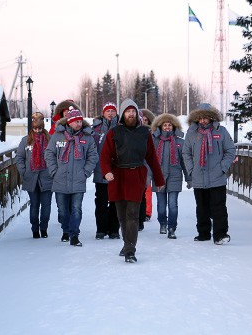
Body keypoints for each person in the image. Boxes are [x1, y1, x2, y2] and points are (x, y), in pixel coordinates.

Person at [100, 98, 165, 263]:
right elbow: (105, 156)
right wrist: (106, 171)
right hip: (118, 176)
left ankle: (130, 249)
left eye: (133, 111)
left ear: (137, 113)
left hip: (136, 175)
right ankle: (126, 243)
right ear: (122, 114)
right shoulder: (113, 132)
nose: (131, 114)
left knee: (133, 215)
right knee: (121, 215)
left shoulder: (144, 133)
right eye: (128, 111)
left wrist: (159, 179)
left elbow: (152, 158)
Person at [182, 103, 236, 245]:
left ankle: (220, 234)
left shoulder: (221, 131)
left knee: (219, 207)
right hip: (198, 176)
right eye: (200, 118)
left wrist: (222, 168)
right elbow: (186, 152)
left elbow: (230, 151)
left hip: (217, 177)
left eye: (206, 117)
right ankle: (203, 233)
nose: (203, 120)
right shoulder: (191, 133)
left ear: (212, 118)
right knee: (202, 207)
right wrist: (191, 170)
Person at [44, 108, 98, 246]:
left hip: (78, 179)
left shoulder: (87, 137)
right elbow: (49, 154)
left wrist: (85, 172)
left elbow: (93, 156)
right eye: (76, 122)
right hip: (60, 179)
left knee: (76, 209)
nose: (79, 124)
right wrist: (54, 171)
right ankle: (65, 231)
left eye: (80, 121)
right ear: (70, 122)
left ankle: (74, 235)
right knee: (62, 211)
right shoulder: (58, 136)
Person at [151, 113, 190, 239]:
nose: (167, 127)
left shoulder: (180, 142)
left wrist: (189, 178)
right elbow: (149, 160)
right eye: (164, 125)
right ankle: (163, 222)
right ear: (160, 126)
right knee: (161, 206)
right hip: (159, 176)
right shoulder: (154, 141)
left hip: (175, 176)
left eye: (169, 125)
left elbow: (184, 162)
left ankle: (172, 228)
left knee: (173, 204)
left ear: (174, 127)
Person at [16, 112, 53, 239]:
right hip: (31, 177)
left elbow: (56, 157)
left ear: (43, 128)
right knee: (34, 205)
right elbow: (20, 157)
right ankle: (35, 229)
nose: (38, 131)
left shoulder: (50, 139)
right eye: (36, 128)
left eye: (40, 128)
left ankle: (44, 228)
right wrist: (24, 171)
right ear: (32, 128)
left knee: (46, 206)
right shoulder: (25, 141)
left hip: (46, 177)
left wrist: (53, 171)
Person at [91, 102, 121, 240]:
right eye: (107, 111)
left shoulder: (121, 128)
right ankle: (101, 229)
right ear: (103, 113)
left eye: (112, 111)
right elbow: (92, 150)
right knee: (101, 201)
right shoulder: (96, 130)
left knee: (116, 201)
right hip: (101, 171)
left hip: (117, 171)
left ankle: (114, 229)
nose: (110, 113)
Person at [49, 100, 81, 225]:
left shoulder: (81, 130)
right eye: (66, 111)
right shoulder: (56, 130)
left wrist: (85, 171)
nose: (68, 113)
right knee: (62, 204)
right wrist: (53, 170)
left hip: (76, 173)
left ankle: (72, 230)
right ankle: (65, 222)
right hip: (60, 171)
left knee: (75, 206)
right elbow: (50, 150)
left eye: (70, 111)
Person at [139, 108, 156, 229]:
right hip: (138, 164)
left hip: (148, 165)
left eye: (146, 120)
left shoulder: (152, 133)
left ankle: (147, 212)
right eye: (142, 119)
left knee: (147, 190)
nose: (144, 121)